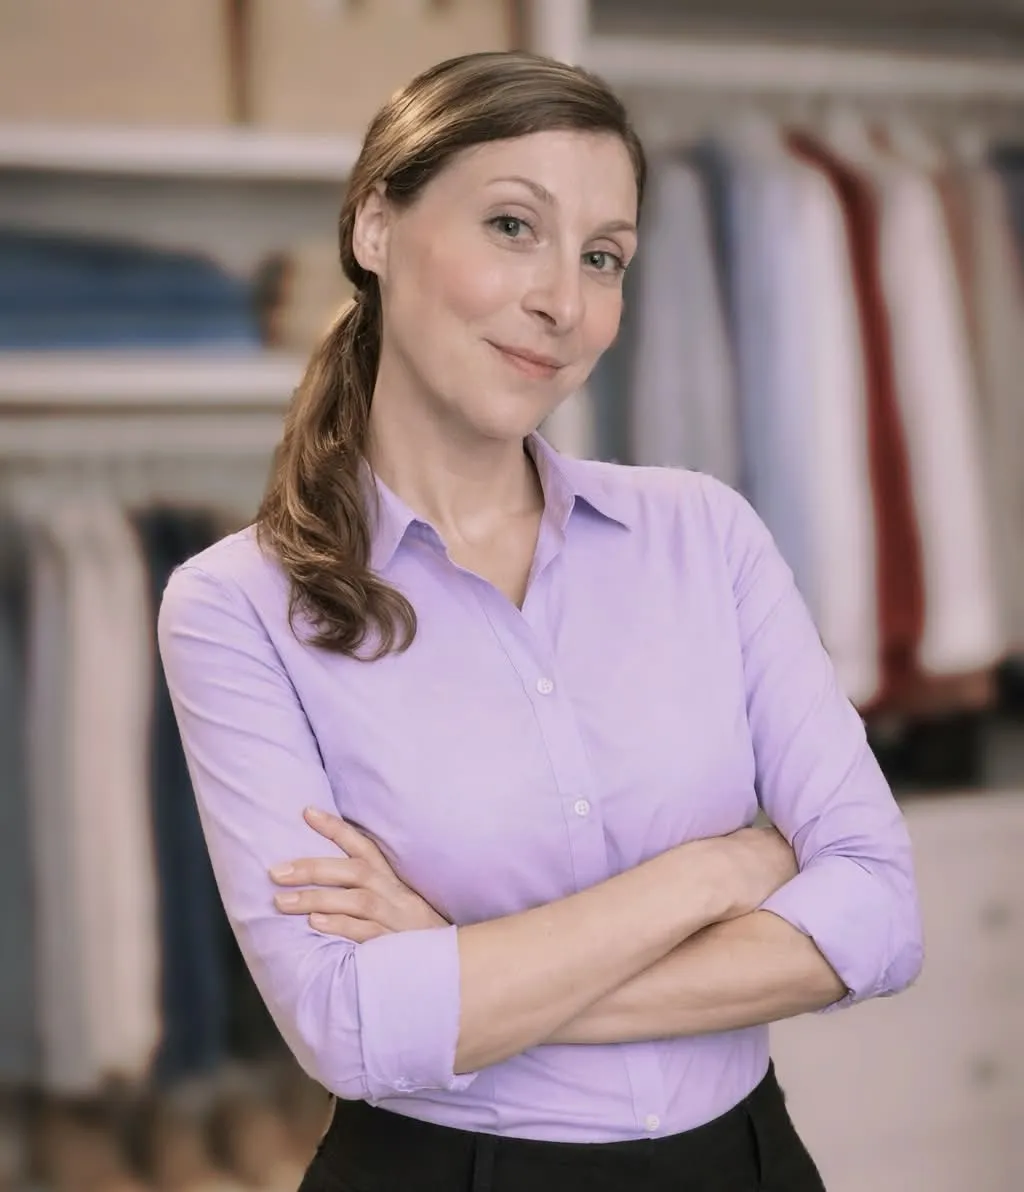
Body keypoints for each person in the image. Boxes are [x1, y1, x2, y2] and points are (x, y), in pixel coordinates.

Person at [158, 50, 924, 1192]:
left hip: (747, 1161)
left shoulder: (704, 535)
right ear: (375, 225)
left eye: (603, 256)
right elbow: (349, 1027)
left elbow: (880, 916)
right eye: (513, 226)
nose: (563, 303)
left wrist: (453, 964)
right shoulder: (236, 607)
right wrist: (717, 871)